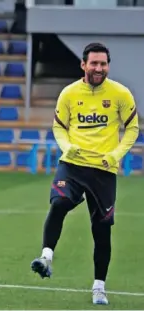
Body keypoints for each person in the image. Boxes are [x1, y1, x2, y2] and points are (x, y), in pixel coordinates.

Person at [30, 43, 139, 305]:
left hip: (103, 169)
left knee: (101, 231)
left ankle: (99, 287)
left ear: (108, 66)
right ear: (83, 65)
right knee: (59, 203)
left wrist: (116, 155)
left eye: (103, 64)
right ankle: (46, 257)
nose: (99, 68)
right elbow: (58, 127)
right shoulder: (68, 94)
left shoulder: (120, 94)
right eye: (94, 63)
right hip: (73, 164)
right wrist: (67, 146)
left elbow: (133, 129)